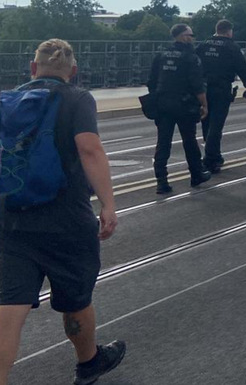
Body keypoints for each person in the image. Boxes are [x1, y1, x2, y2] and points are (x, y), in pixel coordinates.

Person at [0, 40, 126, 385]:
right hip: (66, 220)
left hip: (12, 219)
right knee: (76, 297)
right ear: (73, 72)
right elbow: (89, 149)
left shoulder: (7, 102)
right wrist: (108, 204)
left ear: (32, 68)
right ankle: (88, 363)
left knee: (9, 309)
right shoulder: (76, 98)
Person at [148, 24, 209, 193]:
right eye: (191, 35)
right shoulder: (191, 57)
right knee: (189, 140)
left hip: (163, 104)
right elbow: (197, 85)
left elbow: (151, 81)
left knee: (163, 143)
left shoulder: (160, 55)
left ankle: (161, 181)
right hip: (185, 104)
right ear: (183, 36)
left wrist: (157, 97)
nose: (192, 38)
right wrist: (204, 104)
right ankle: (196, 175)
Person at [195, 19, 246, 174]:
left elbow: (193, 65)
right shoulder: (231, 47)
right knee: (216, 124)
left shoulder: (203, 45)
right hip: (221, 89)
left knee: (206, 123)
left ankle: (214, 154)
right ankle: (211, 159)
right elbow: (242, 68)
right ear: (229, 31)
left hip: (203, 89)